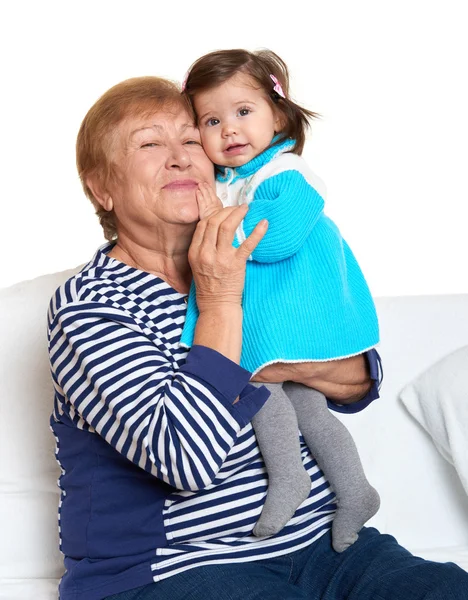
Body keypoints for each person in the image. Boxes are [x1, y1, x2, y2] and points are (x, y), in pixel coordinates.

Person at [48, 76, 468, 600]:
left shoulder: (250, 250)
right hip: (176, 569)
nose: (180, 158)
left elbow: (359, 378)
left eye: (191, 139)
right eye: (150, 144)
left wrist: (279, 364)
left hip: (324, 545)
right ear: (101, 188)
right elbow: (187, 461)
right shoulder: (90, 305)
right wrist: (221, 300)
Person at [179, 49, 380, 548]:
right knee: (305, 406)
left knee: (257, 387)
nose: (229, 130)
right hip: (274, 309)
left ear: (279, 114)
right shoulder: (225, 184)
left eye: (244, 112)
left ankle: (290, 477)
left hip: (298, 308)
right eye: (211, 120)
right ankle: (353, 489)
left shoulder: (286, 170)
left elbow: (279, 233)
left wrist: (215, 225)